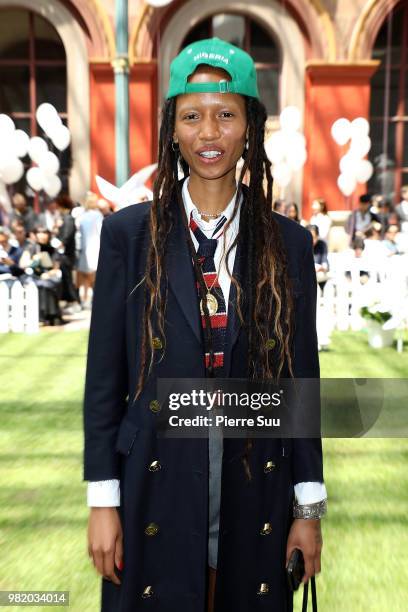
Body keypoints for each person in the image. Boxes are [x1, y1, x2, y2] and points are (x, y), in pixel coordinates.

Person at [83, 37, 327, 612]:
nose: (208, 133)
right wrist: (102, 501)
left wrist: (307, 509)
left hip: (254, 484)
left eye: (225, 115)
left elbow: (302, 386)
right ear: (172, 129)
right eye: (191, 116)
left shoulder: (288, 244)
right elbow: (103, 385)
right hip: (153, 484)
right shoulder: (128, 236)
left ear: (249, 126)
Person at [76, 191, 103, 308]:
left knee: (85, 276)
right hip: (95, 247)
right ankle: (95, 300)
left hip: (84, 248)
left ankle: (85, 300)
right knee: (95, 277)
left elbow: (78, 234)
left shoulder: (82, 216)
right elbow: (101, 231)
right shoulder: (97, 215)